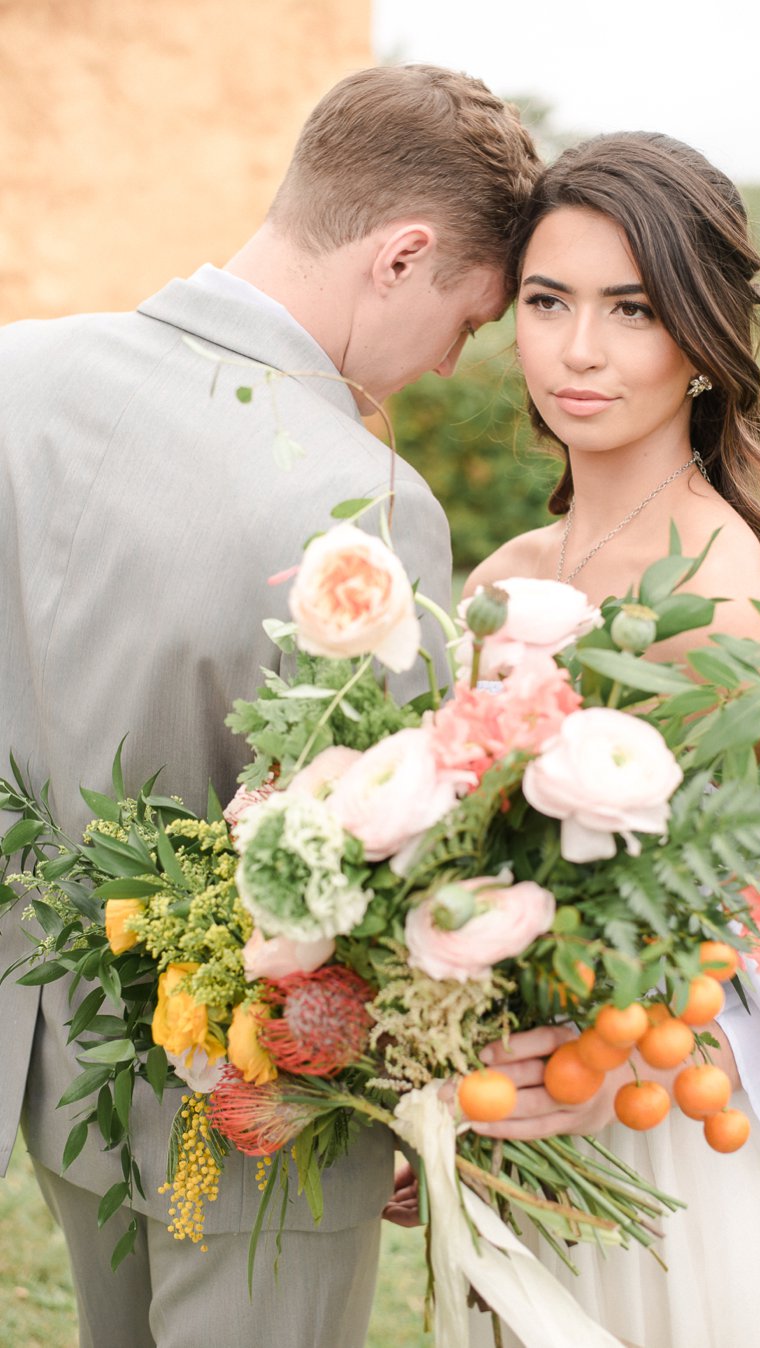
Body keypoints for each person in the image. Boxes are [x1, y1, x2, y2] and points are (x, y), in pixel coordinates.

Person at [0, 64, 540, 1348]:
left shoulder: (17, 375)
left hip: (45, 1050)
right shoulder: (365, 501)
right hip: (257, 1107)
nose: (451, 363)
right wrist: (417, 1082)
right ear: (403, 255)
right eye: (468, 322)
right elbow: (383, 851)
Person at [461, 132, 760, 1347]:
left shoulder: (715, 587)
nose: (579, 350)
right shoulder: (507, 577)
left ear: (703, 345)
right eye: (548, 302)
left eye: (632, 308)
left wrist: (607, 1067)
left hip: (684, 1156)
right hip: (543, 1128)